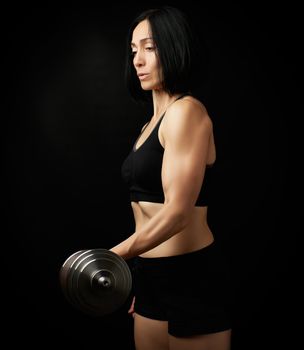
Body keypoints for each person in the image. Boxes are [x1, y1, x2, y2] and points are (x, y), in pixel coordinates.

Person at [110, 6, 232, 350]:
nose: (138, 60)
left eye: (150, 48)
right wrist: (139, 277)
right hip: (150, 277)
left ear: (175, 47)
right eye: (134, 50)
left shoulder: (187, 112)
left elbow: (177, 212)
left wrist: (112, 257)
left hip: (191, 277)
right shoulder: (148, 126)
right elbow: (144, 215)